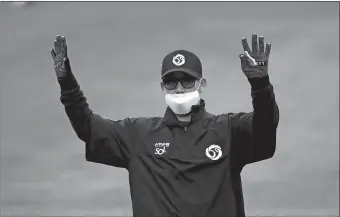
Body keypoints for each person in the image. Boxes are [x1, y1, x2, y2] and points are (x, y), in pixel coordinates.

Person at [50, 33, 279, 217]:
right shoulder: (138, 135)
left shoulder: (228, 130)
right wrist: (67, 84)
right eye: (171, 82)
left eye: (187, 81)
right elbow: (88, 127)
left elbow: (265, 128)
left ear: (202, 84)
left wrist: (260, 85)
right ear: (162, 87)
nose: (179, 89)